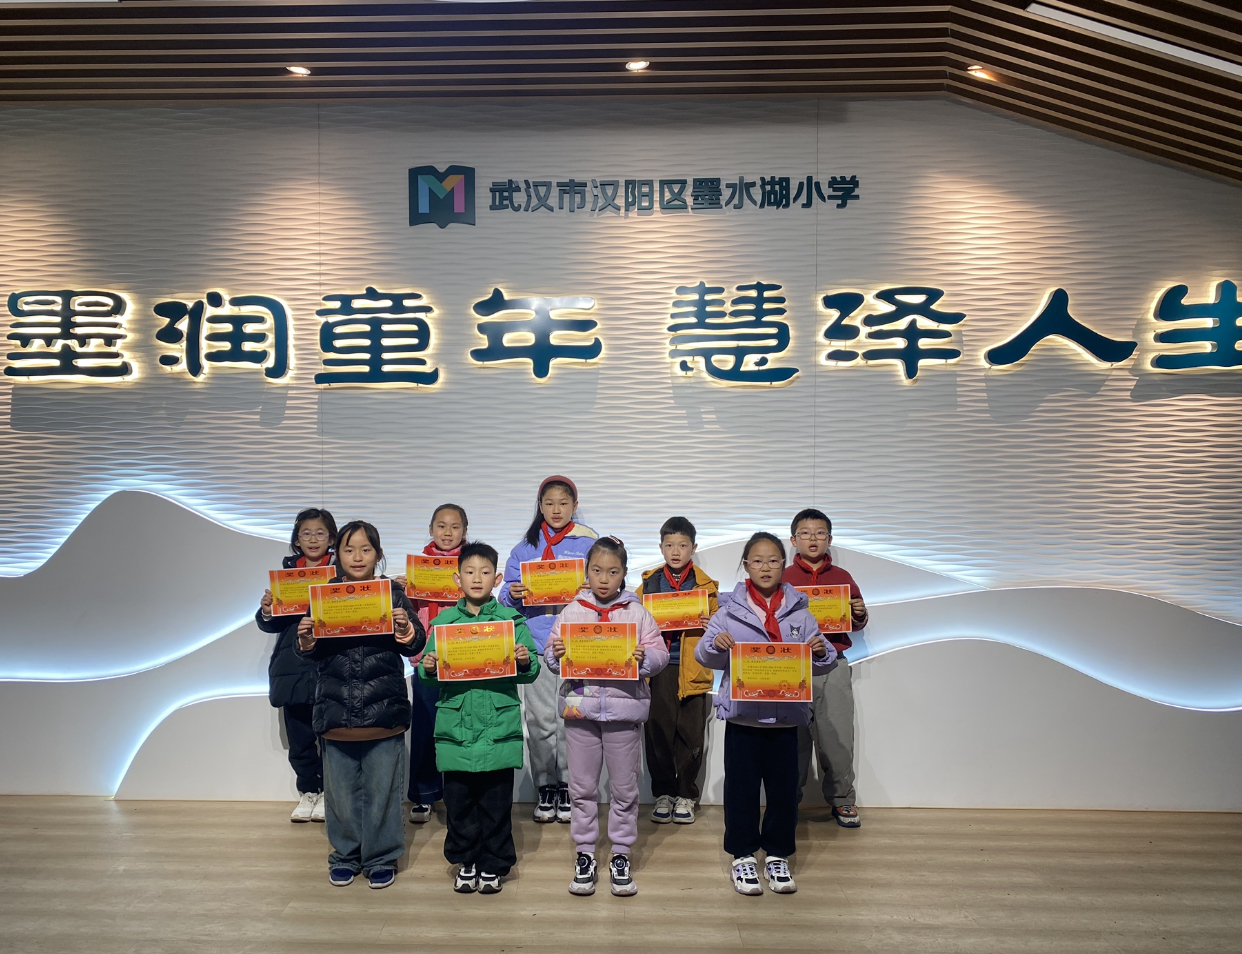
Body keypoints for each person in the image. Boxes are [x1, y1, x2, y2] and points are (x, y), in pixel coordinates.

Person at [695, 532, 836, 897]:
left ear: (783, 564)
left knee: (783, 791)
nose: (766, 567)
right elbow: (703, 655)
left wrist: (821, 652)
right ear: (746, 565)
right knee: (740, 791)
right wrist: (716, 645)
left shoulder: (801, 614)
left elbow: (822, 662)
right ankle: (742, 856)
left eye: (773, 560)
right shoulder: (728, 612)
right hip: (743, 718)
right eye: (757, 560)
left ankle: (777, 854)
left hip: (786, 719)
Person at [297, 520, 426, 889]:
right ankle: (345, 855)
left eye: (366, 549)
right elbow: (308, 650)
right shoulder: (324, 596)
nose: (357, 556)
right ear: (337, 554)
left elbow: (416, 643)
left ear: (378, 555)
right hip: (335, 710)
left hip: (384, 711)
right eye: (349, 549)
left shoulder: (393, 594)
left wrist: (407, 631)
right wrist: (305, 641)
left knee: (383, 790)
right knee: (340, 795)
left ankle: (382, 857)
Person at [545, 536, 667, 898]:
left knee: (624, 789)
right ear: (587, 571)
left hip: (623, 713)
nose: (603, 578)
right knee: (582, 788)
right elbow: (552, 658)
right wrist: (556, 654)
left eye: (612, 572)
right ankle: (584, 853)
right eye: (597, 570)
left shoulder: (638, 612)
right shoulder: (572, 611)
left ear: (624, 574)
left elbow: (660, 655)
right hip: (580, 712)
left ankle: (620, 854)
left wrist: (645, 658)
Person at [418, 541, 540, 895]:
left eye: (485, 572)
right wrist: (429, 666)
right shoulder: (443, 623)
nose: (477, 578)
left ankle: (494, 865)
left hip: (498, 727)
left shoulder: (510, 621)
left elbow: (531, 669)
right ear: (457, 578)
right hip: (455, 728)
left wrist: (523, 659)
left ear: (497, 579)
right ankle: (466, 861)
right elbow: (428, 673)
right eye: (469, 572)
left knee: (496, 803)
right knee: (458, 803)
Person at [500, 475, 597, 824]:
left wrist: (592, 587)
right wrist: (513, 593)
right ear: (540, 506)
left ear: (574, 506)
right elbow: (504, 598)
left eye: (563, 503)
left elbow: (608, 584)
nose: (557, 509)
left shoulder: (589, 543)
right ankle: (545, 786)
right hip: (540, 646)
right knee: (540, 721)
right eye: (550, 503)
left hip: (578, 647)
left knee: (572, 719)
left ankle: (569, 786)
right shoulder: (524, 548)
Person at [782, 508, 869, 828]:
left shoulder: (843, 577)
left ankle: (843, 799)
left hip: (833, 664)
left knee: (838, 737)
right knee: (792, 739)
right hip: (792, 667)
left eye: (820, 533)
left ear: (829, 539)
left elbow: (857, 622)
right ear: (794, 540)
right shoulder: (783, 578)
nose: (813, 538)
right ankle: (787, 799)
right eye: (805, 533)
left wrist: (858, 612)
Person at [633, 516, 718, 825]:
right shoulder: (649, 583)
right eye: (669, 545)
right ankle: (664, 793)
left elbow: (720, 629)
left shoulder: (706, 586)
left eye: (682, 545)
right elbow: (634, 621)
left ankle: (686, 795)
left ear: (693, 548)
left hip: (694, 667)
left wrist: (712, 625)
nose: (676, 551)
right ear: (661, 547)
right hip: (659, 668)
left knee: (691, 736)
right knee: (658, 733)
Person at [256, 507, 337, 823]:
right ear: (296, 540)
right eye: (306, 533)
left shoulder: (342, 573)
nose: (313, 539)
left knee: (332, 735)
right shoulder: (286, 577)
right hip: (292, 667)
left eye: (320, 533)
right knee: (300, 738)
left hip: (330, 664)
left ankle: (330, 793)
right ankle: (308, 792)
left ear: (331, 538)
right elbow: (272, 625)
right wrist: (267, 610)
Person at [394, 503, 468, 824]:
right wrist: (402, 589)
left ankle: (459, 794)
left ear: (465, 531)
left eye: (454, 526)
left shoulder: (471, 565)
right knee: (425, 726)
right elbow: (409, 614)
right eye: (441, 525)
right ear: (430, 529)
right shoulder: (419, 567)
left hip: (462, 657)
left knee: (460, 729)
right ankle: (424, 795)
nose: (447, 532)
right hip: (426, 657)